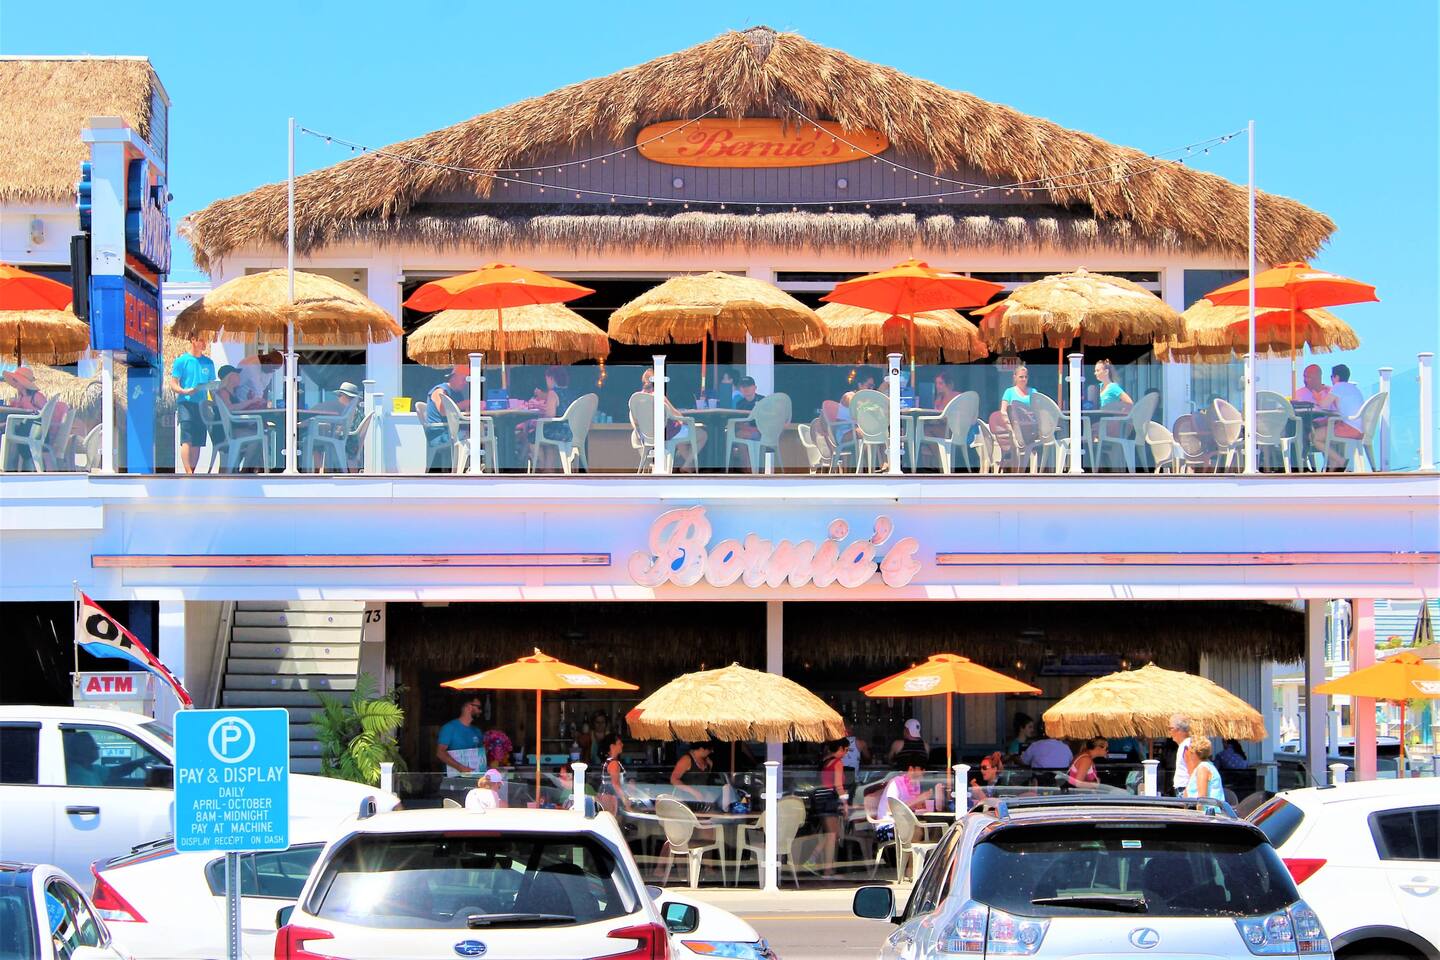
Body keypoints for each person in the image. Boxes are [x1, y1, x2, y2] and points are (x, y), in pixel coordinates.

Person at [168, 335, 220, 474]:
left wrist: (217, 403)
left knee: (198, 440)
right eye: (201, 339)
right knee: (187, 438)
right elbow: (173, 383)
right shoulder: (182, 361)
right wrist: (184, 391)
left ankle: (192, 472)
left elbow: (211, 386)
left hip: (201, 405)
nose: (204, 343)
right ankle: (188, 472)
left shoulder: (208, 363)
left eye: (205, 340)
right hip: (186, 403)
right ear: (193, 339)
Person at [637, 367, 705, 469]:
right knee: (702, 435)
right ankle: (687, 466)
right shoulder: (658, 395)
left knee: (681, 442)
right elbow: (675, 414)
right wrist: (687, 422)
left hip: (646, 437)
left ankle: (689, 468)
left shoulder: (638, 398)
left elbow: (634, 419)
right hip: (666, 434)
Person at [814, 739, 848, 878]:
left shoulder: (825, 761)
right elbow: (838, 785)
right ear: (840, 748)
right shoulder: (837, 763)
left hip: (820, 799)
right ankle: (824, 868)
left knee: (832, 834)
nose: (846, 753)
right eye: (846, 750)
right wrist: (845, 803)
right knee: (832, 835)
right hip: (830, 800)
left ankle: (819, 862)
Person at [875, 760, 932, 842]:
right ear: (911, 769)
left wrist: (922, 803)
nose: (924, 771)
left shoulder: (916, 784)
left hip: (906, 823)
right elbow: (890, 810)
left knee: (933, 829)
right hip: (888, 825)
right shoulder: (896, 783)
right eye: (921, 769)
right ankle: (911, 851)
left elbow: (914, 807)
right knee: (916, 831)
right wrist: (918, 799)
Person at [1323, 364, 1366, 468]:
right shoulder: (1354, 388)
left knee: (1315, 437)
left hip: (1350, 428)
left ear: (1336, 377)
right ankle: (1334, 468)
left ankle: (1339, 461)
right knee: (1329, 432)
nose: (1331, 379)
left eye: (1331, 377)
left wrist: (1317, 395)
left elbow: (1323, 405)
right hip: (1360, 429)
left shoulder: (1338, 386)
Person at [436, 698, 485, 774]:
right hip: (453, 777)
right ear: (469, 707)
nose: (480, 711)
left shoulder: (477, 731)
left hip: (474, 776)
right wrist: (460, 767)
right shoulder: (449, 728)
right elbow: (440, 753)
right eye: (479, 707)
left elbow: (481, 753)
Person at [597, 733, 629, 813]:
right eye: (619, 743)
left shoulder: (608, 761)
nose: (622, 745)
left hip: (606, 797)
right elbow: (615, 784)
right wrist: (625, 801)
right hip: (611, 799)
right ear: (612, 746)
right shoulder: (614, 763)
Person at [1170, 715, 1194, 797]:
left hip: (1185, 789)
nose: (1169, 732)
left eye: (1171, 728)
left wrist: (1187, 792)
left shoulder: (1186, 746)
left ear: (1179, 730)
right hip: (1183, 788)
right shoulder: (1184, 745)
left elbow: (1192, 771)